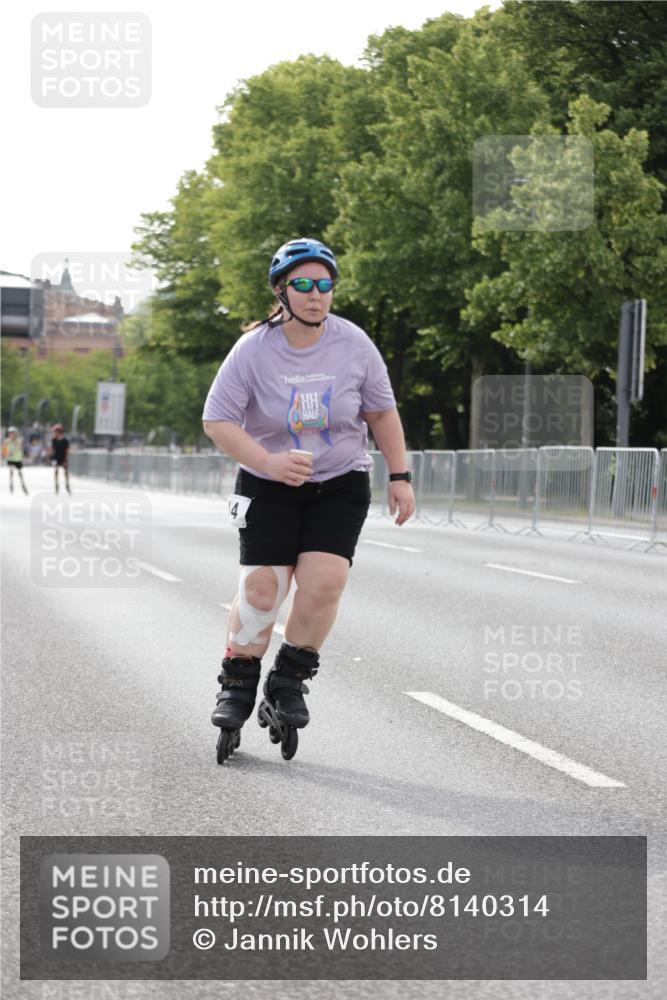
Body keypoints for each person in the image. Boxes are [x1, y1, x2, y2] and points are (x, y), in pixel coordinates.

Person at [202, 236, 415, 763]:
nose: (316, 294)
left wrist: (400, 475)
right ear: (281, 291)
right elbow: (217, 420)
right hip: (268, 484)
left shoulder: (354, 343)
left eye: (324, 284)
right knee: (262, 589)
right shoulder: (253, 349)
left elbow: (381, 413)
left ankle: (287, 682)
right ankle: (238, 683)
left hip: (339, 482)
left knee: (325, 582)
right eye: (303, 284)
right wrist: (268, 461)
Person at [4, 426, 29, 494]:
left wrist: (12, 452)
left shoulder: (18, 440)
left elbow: (19, 447)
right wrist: (5, 454)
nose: (11, 434)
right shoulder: (7, 441)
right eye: (10, 433)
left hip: (17, 459)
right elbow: (4, 449)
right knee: (11, 470)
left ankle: (23, 484)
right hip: (10, 459)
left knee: (19, 472)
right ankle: (11, 484)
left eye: (13, 433)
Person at [49, 423, 71, 494]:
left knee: (65, 471)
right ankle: (56, 484)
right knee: (56, 470)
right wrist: (50, 457)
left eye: (56, 432)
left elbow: (67, 451)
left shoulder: (65, 441)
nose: (55, 433)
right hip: (56, 458)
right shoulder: (54, 440)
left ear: (60, 432)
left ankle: (67, 484)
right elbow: (52, 449)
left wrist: (66, 460)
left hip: (63, 457)